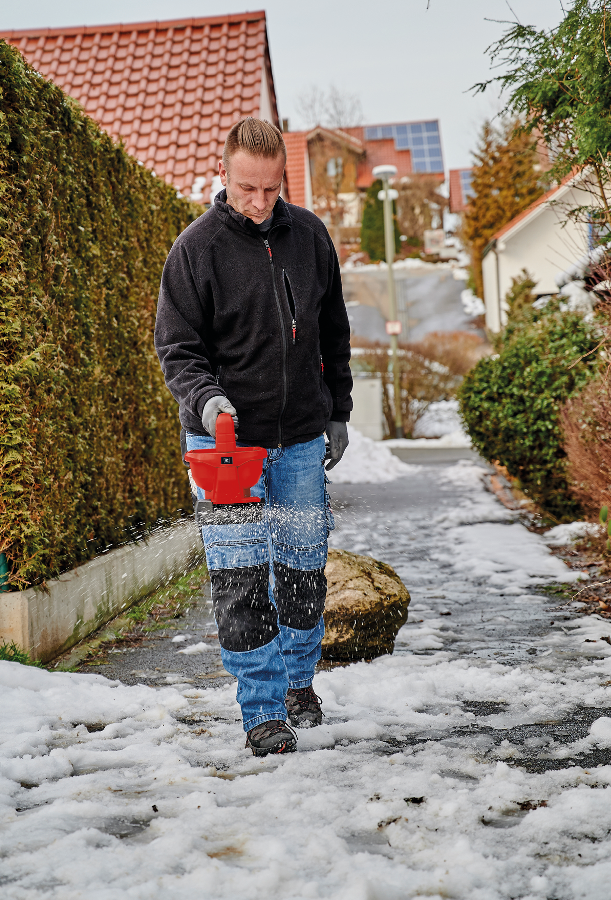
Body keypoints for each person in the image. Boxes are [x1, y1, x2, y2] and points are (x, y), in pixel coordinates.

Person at [155, 117, 352, 756]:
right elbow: (177, 349)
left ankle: (298, 684)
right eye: (246, 189)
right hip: (225, 448)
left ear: (282, 181)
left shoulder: (311, 238)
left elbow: (334, 333)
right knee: (239, 577)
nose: (259, 203)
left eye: (270, 190)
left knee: (301, 569)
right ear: (225, 176)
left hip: (297, 437)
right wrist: (209, 404)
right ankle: (262, 710)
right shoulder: (196, 249)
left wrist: (338, 411)